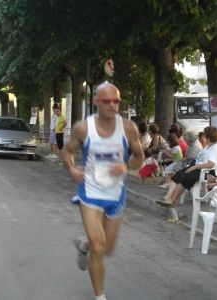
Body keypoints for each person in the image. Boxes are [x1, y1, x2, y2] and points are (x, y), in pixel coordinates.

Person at [64, 82, 143, 300]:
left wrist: (126, 166)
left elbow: (139, 158)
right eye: (106, 101)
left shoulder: (128, 128)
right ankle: (100, 297)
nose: (112, 105)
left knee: (106, 248)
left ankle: (83, 244)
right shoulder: (83, 128)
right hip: (90, 192)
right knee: (98, 248)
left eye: (116, 101)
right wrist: (72, 168)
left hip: (116, 194)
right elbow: (68, 151)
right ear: (96, 101)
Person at [156, 126, 217, 207]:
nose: (203, 137)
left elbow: (211, 164)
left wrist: (196, 167)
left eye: (205, 135)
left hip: (206, 171)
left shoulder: (216, 148)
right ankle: (168, 197)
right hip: (198, 166)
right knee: (178, 174)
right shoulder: (209, 145)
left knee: (185, 177)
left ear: (208, 138)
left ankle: (173, 200)